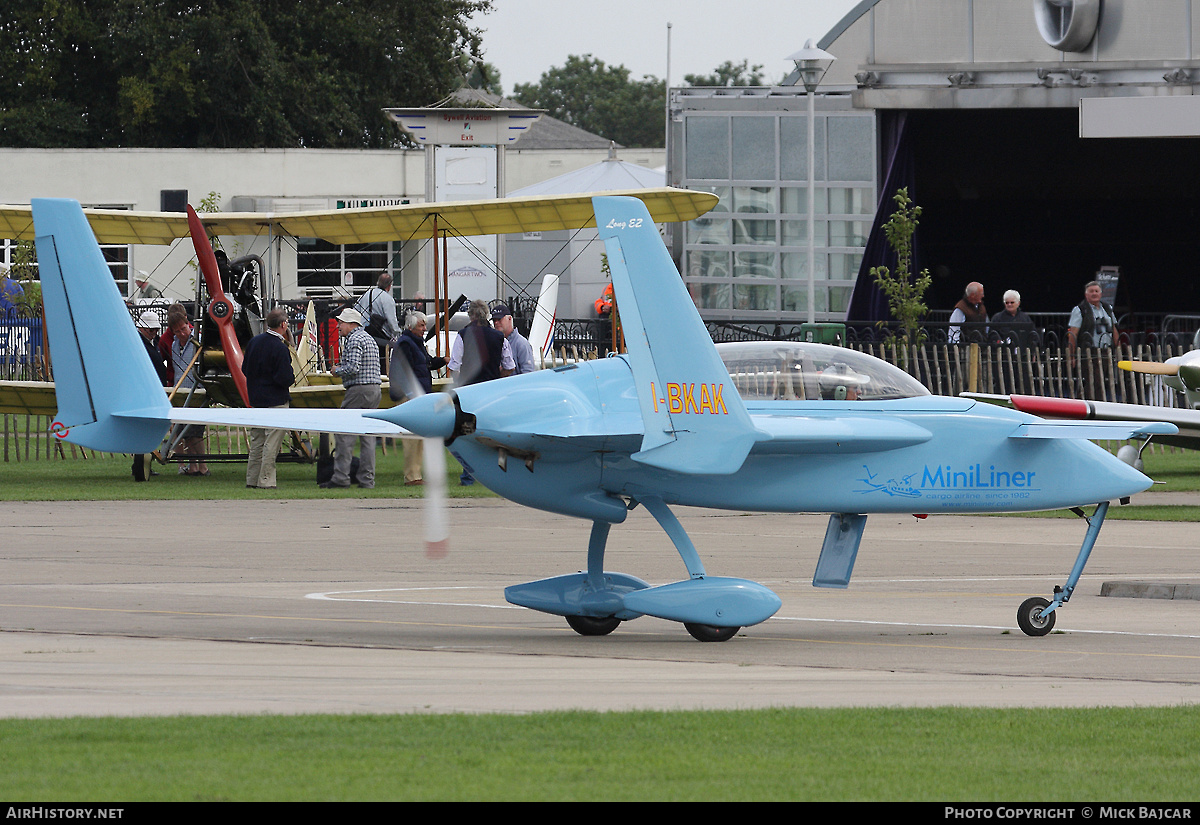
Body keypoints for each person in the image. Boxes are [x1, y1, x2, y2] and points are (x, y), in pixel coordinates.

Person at [447, 300, 513, 484]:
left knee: (468, 434)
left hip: (469, 391)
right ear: (486, 315)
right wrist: (496, 377)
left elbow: (454, 365)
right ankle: (495, 475)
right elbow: (509, 367)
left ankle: (468, 476)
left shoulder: (463, 335)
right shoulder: (500, 337)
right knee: (491, 432)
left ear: (471, 316)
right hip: (491, 391)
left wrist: (459, 383)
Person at [322, 308, 381, 489]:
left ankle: (341, 477)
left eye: (341, 323)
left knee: (344, 434)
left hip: (358, 390)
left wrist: (336, 370)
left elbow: (353, 367)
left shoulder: (354, 339)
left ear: (351, 324)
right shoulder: (368, 338)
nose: (338, 326)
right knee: (367, 437)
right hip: (374, 389)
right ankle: (367, 479)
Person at [389, 311, 446, 486]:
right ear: (411, 327)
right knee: (411, 439)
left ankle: (416, 474)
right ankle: (411, 477)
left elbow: (426, 363)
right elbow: (402, 371)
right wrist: (411, 394)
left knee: (419, 438)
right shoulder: (406, 344)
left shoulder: (416, 343)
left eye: (424, 325)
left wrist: (443, 360)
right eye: (421, 325)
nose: (424, 328)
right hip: (411, 397)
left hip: (419, 396)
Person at [242, 307, 295, 489]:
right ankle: (266, 480)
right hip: (276, 401)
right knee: (271, 444)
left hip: (256, 400)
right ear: (283, 324)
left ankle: (252, 478)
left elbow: (244, 369)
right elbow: (285, 378)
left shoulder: (254, 342)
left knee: (257, 443)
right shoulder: (280, 348)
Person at [166, 305, 209, 476]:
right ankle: (191, 466)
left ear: (188, 324)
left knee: (195, 433)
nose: (181, 333)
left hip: (196, 392)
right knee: (182, 432)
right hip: (180, 393)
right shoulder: (175, 345)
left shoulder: (198, 341)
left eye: (183, 329)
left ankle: (203, 466)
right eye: (177, 331)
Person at [132, 310, 169, 481]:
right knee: (143, 430)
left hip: (153, 390)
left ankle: (142, 464)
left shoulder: (152, 342)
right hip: (144, 393)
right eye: (151, 330)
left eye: (155, 329)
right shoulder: (138, 343)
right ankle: (140, 465)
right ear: (142, 328)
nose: (154, 332)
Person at [354, 272, 399, 370]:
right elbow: (392, 321)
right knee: (382, 362)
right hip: (381, 336)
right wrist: (397, 333)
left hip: (364, 332)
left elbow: (355, 310)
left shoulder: (365, 295)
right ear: (389, 285)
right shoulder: (387, 299)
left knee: (366, 362)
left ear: (378, 282)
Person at [1068, 280, 1118, 357]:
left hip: (1107, 351)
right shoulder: (1080, 310)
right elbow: (1073, 334)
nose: (1094, 293)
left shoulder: (1108, 308)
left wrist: (1118, 349)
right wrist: (1071, 355)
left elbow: (1114, 330)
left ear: (1101, 294)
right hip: (1089, 352)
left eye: (1096, 291)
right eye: (1091, 291)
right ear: (1086, 295)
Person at [490, 303, 535, 375]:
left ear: (510, 319)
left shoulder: (522, 344)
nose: (496, 323)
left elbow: (528, 373)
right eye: (494, 320)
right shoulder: (494, 342)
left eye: (499, 319)